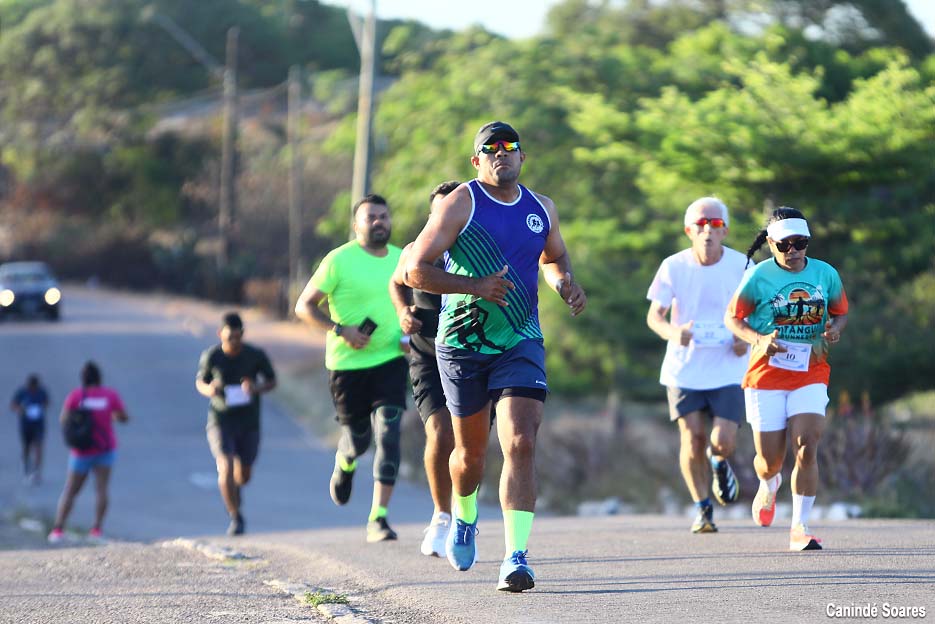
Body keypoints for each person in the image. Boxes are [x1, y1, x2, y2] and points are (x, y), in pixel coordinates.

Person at [405, 121, 586, 592]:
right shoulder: (460, 203)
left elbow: (554, 258)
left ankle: (516, 557)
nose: (501, 153)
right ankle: (463, 518)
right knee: (470, 455)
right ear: (477, 160)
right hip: (463, 344)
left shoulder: (541, 208)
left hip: (521, 339)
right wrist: (474, 287)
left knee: (521, 442)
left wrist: (564, 282)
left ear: (523, 157)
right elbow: (413, 271)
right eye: (491, 148)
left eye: (510, 147)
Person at [725, 206, 848, 551]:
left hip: (811, 369)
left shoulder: (826, 274)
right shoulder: (759, 276)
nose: (793, 251)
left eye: (800, 243)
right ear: (770, 244)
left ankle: (800, 527)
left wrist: (834, 330)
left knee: (807, 444)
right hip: (766, 374)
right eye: (784, 245)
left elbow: (840, 313)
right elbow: (733, 319)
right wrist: (759, 340)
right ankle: (769, 483)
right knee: (770, 460)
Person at [295, 193, 408, 544]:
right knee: (359, 440)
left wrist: (408, 330)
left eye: (384, 216)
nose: (379, 222)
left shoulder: (403, 258)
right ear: (356, 224)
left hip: (390, 359)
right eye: (371, 217)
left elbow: (418, 301)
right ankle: (345, 461)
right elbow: (304, 306)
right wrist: (340, 330)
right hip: (347, 366)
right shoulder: (338, 260)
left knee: (388, 434)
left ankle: (378, 518)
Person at [646, 197, 748, 533]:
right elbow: (654, 317)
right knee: (692, 438)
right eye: (700, 225)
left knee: (723, 440)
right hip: (684, 366)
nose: (707, 231)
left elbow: (759, 311)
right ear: (689, 231)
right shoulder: (673, 266)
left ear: (725, 231)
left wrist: (745, 338)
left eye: (715, 225)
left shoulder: (742, 265)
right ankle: (703, 509)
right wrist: (676, 333)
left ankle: (720, 462)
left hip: (729, 364)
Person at [389, 180, 461, 557]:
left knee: (468, 444)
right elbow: (396, 281)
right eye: (438, 210)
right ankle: (441, 515)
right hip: (427, 354)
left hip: (470, 355)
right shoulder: (417, 250)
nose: (444, 215)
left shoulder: (474, 252)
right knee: (439, 431)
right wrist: (403, 312)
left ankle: (465, 517)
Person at [196, 312, 277, 536]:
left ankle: (234, 490)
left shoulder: (255, 355)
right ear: (220, 334)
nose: (233, 341)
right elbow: (200, 382)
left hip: (249, 421)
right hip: (221, 420)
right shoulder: (212, 356)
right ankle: (236, 516)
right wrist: (209, 389)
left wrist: (256, 388)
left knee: (244, 475)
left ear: (243, 334)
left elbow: (272, 381)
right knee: (226, 466)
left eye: (237, 336)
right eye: (229, 337)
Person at [48, 361, 129, 543]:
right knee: (101, 489)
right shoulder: (109, 395)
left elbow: (64, 419)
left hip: (81, 451)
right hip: (105, 449)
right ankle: (96, 529)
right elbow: (123, 417)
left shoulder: (76, 396)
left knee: (71, 490)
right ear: (99, 377)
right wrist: (110, 417)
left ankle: (58, 529)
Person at [10, 374, 50, 485]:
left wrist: (40, 408)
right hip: (26, 425)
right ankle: (26, 468)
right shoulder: (22, 392)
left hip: (38, 425)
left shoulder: (41, 392)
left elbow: (47, 403)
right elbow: (13, 405)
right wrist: (21, 409)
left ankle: (37, 471)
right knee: (26, 447)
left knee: (38, 447)